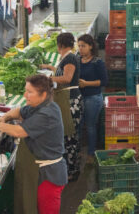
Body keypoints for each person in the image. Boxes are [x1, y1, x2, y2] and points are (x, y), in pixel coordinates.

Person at [0, 74, 67, 214]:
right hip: (37, 171)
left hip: (48, 175)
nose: (25, 95)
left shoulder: (48, 113)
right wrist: (5, 117)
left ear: (43, 95)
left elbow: (19, 131)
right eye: (26, 90)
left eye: (30, 92)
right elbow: (19, 111)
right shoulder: (36, 106)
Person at [41, 33, 82, 181]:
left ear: (60, 45)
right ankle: (70, 169)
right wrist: (49, 67)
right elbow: (62, 72)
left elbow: (67, 78)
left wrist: (47, 78)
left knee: (70, 136)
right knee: (68, 136)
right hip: (66, 101)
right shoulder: (66, 58)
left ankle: (73, 171)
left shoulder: (70, 58)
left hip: (71, 101)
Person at [77, 34, 108, 158]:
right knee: (79, 125)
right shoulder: (77, 60)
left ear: (90, 46)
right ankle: (78, 150)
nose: (80, 48)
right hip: (80, 98)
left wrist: (86, 83)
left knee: (90, 126)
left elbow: (104, 81)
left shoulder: (97, 62)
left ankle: (91, 152)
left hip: (93, 98)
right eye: (79, 46)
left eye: (83, 46)